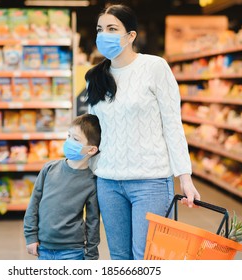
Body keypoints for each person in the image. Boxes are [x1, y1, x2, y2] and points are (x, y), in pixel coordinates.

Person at [85, 4, 201, 260]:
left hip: (150, 182)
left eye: (112, 29)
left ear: (131, 35)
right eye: (100, 29)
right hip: (108, 181)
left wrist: (185, 176)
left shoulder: (155, 67)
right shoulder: (94, 77)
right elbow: (94, 130)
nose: (104, 34)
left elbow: (172, 124)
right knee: (119, 257)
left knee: (148, 258)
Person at [23, 113, 101, 260]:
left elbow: (93, 222)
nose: (69, 141)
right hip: (43, 247)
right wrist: (31, 236)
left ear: (91, 150)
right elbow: (33, 204)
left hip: (72, 251)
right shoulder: (49, 169)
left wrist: (91, 256)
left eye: (76, 139)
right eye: (69, 136)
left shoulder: (91, 182)